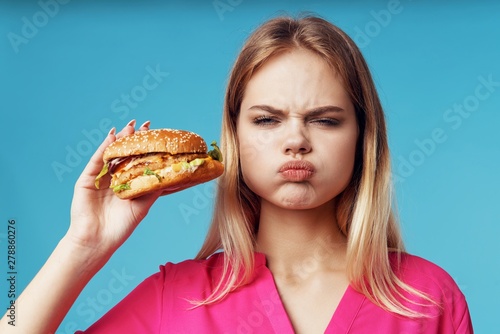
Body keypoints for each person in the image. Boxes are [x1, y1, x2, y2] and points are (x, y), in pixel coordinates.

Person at [1, 15, 473, 333]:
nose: (296, 140)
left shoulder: (428, 298)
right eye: (267, 120)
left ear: (363, 138)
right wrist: (83, 246)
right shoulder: (178, 298)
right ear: (234, 139)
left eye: (326, 120)